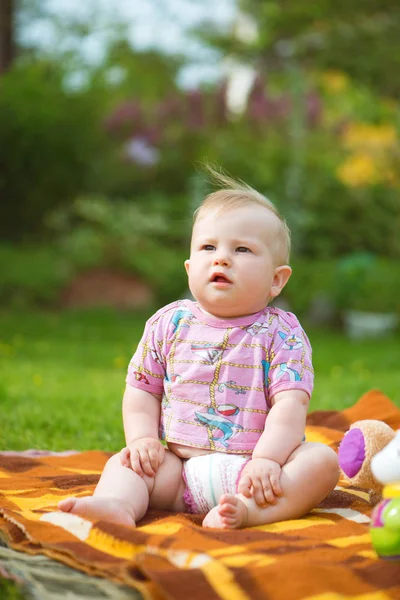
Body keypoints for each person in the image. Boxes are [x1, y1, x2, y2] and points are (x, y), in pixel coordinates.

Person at [58, 170, 339, 529]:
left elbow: (291, 403)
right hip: (180, 474)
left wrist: (268, 460)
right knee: (125, 464)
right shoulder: (169, 324)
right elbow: (142, 389)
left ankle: (248, 512)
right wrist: (143, 439)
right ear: (190, 267)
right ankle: (116, 505)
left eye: (242, 249)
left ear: (276, 279)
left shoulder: (281, 333)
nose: (221, 258)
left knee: (320, 462)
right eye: (209, 247)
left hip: (259, 476)